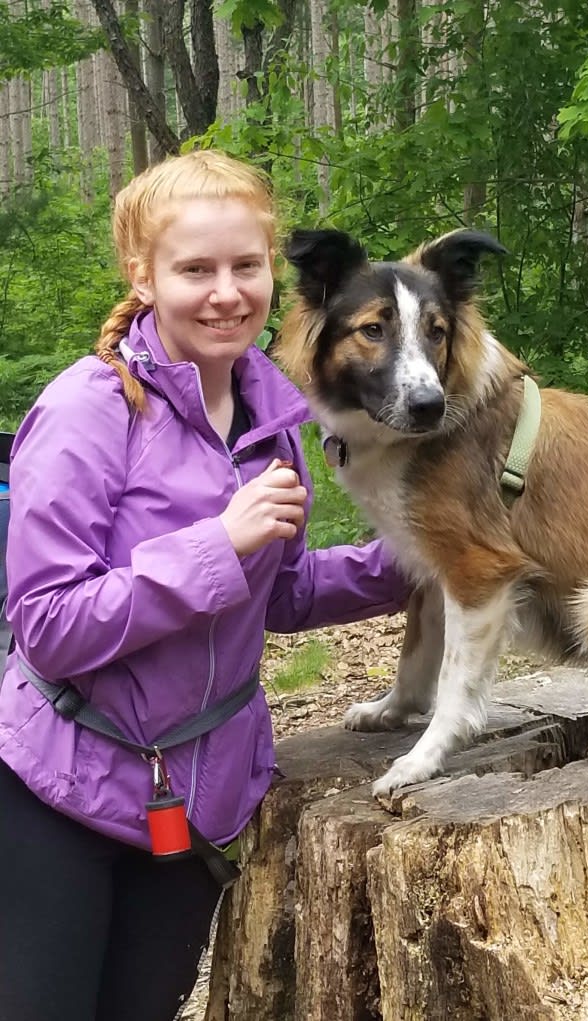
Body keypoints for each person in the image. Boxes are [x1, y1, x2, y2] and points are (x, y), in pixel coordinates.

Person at [0, 149, 408, 1021]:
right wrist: (215, 545)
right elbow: (47, 622)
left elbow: (284, 594)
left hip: (193, 799)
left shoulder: (272, 416)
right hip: (56, 793)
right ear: (142, 277)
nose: (226, 291)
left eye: (245, 266)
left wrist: (412, 565)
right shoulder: (86, 412)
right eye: (196, 269)